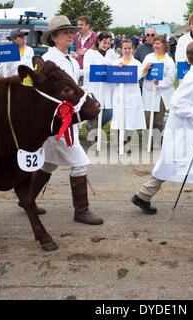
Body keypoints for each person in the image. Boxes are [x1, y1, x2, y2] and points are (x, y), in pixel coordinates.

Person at [31, 15, 103, 225]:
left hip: (66, 121)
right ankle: (81, 210)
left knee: (49, 164)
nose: (70, 36)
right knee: (80, 163)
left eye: (71, 32)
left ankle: (26, 198)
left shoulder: (69, 59)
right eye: (65, 33)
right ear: (54, 37)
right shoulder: (48, 61)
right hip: (56, 123)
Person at [131, 40, 193, 222]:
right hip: (185, 132)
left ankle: (143, 196)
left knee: (176, 164)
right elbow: (176, 103)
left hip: (189, 131)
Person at [111, 38, 145, 144]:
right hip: (119, 96)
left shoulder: (137, 63)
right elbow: (113, 78)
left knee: (131, 120)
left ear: (133, 49)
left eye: (129, 48)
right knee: (119, 119)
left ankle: (127, 142)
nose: (127, 50)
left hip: (132, 95)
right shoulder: (116, 62)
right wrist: (119, 69)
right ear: (121, 49)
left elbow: (138, 76)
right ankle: (119, 143)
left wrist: (127, 68)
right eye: (125, 48)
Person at [83, 31, 119, 128]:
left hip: (108, 88)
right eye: (104, 42)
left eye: (108, 43)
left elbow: (117, 63)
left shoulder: (111, 53)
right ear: (99, 41)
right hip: (95, 88)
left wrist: (113, 65)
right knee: (95, 112)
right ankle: (93, 134)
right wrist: (101, 67)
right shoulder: (90, 53)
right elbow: (86, 71)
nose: (106, 45)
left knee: (109, 113)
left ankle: (93, 129)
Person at [141, 35, 176, 132]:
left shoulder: (169, 61)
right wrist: (145, 69)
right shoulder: (148, 57)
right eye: (154, 43)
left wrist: (159, 83)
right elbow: (141, 74)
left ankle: (156, 145)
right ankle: (147, 143)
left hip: (161, 95)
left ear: (164, 45)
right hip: (148, 93)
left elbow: (170, 79)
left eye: (158, 43)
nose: (156, 46)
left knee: (158, 120)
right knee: (147, 119)